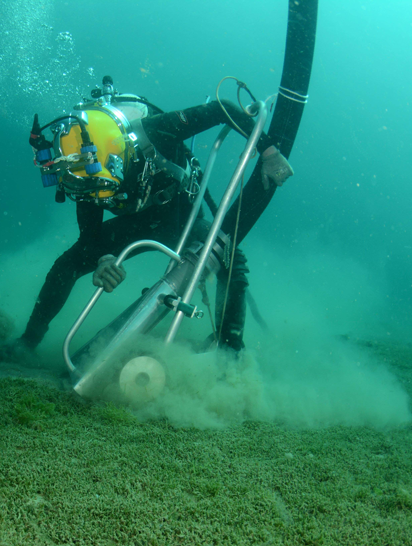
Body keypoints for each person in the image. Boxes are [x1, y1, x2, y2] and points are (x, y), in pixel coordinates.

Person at [15, 76, 293, 356]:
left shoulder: (155, 131)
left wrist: (268, 152)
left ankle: (230, 352)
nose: (95, 197)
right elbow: (88, 221)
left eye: (99, 186)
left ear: (117, 154)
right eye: (83, 190)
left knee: (231, 260)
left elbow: (223, 109)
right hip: (135, 222)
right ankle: (27, 342)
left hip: (181, 219)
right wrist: (101, 257)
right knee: (67, 265)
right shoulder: (83, 174)